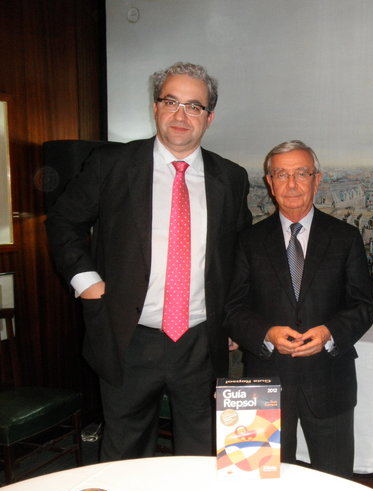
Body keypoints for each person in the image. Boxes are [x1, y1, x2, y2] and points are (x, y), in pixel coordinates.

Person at [46, 62, 252, 460]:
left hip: (200, 340)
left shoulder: (230, 178)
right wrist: (87, 281)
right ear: (155, 107)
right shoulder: (113, 165)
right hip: (128, 335)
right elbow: (63, 221)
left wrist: (235, 316)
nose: (181, 115)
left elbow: (239, 254)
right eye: (171, 101)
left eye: (194, 106)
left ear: (209, 117)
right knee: (125, 452)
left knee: (203, 452)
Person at [225, 140, 373, 478]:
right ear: (269, 182)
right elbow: (232, 307)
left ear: (317, 179)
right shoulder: (248, 241)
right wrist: (265, 334)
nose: (291, 184)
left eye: (301, 174)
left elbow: (365, 305)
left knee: (335, 484)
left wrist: (330, 333)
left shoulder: (345, 237)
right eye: (281, 174)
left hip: (329, 378)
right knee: (255, 483)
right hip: (261, 376)